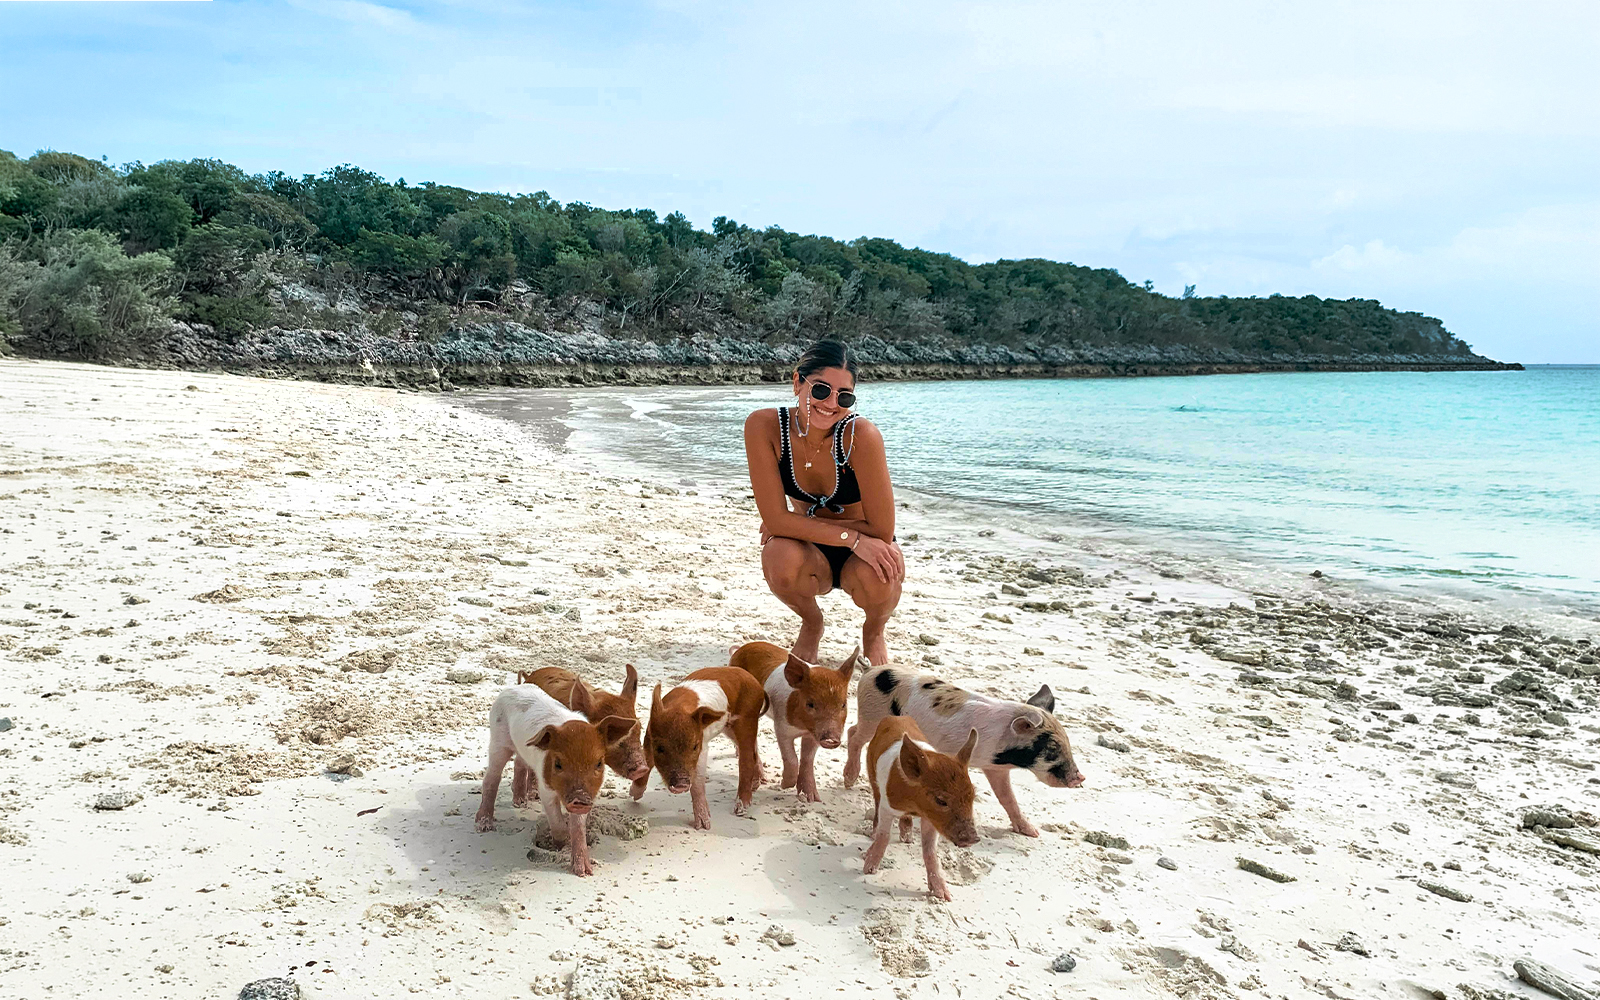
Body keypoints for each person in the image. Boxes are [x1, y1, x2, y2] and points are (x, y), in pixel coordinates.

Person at [744, 341, 905, 665]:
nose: (831, 403)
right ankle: (812, 623)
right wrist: (848, 535)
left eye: (844, 396)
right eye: (821, 390)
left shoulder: (861, 436)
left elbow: (883, 530)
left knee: (884, 569)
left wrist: (793, 523)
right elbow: (776, 523)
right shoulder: (764, 427)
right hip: (811, 550)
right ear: (797, 383)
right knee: (777, 555)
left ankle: (873, 632)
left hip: (863, 549)